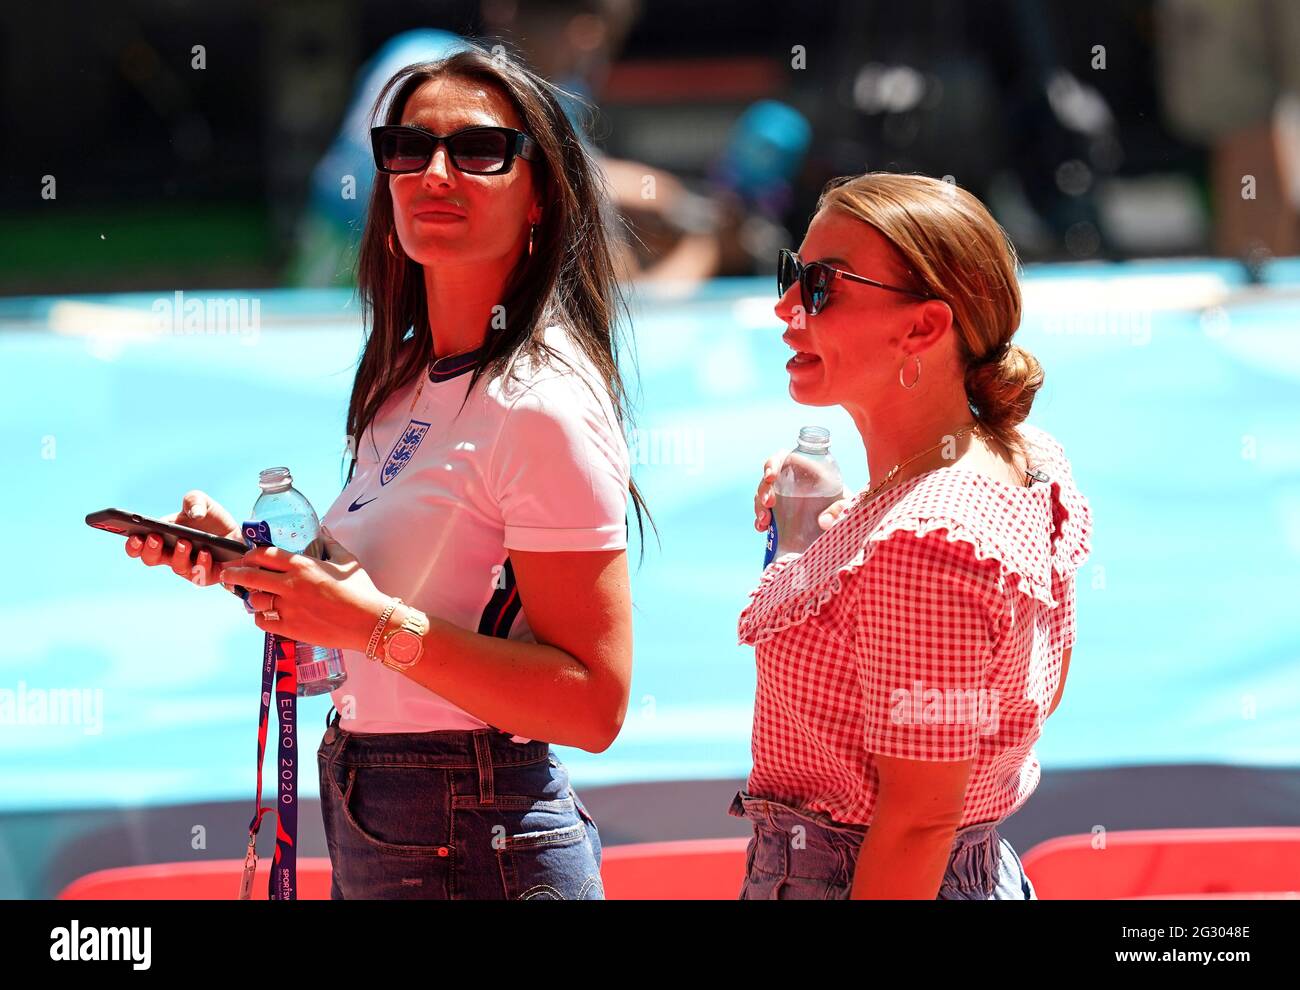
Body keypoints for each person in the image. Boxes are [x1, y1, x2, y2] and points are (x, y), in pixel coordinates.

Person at [125, 44, 649, 900]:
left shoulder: (543, 403)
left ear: (541, 195)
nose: (434, 171)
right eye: (408, 148)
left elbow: (594, 705)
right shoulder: (403, 377)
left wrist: (369, 624)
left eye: (478, 150)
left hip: (480, 835)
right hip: (381, 817)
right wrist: (247, 562)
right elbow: (366, 616)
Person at [734, 172, 1092, 899]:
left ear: (924, 327)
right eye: (792, 274)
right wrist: (833, 533)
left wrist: (867, 544)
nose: (785, 306)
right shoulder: (1026, 460)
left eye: (822, 287)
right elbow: (1029, 695)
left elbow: (918, 825)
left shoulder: (924, 545)